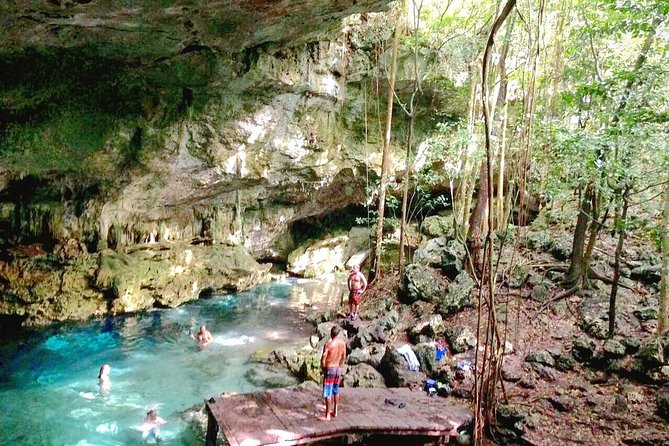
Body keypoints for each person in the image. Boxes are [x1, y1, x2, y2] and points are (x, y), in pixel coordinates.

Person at [318, 325, 346, 421]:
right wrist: (340, 365)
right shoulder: (342, 344)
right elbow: (344, 357)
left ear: (331, 334)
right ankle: (335, 411)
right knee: (336, 390)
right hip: (338, 368)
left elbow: (324, 358)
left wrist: (323, 368)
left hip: (330, 369)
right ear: (338, 334)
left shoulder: (328, 345)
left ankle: (327, 415)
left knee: (328, 391)